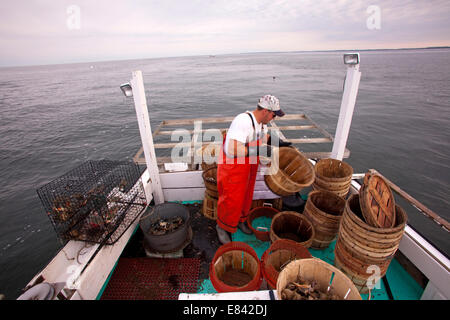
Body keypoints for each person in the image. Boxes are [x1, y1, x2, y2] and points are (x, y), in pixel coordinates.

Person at [215, 95, 291, 244]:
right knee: (230, 199)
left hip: (248, 167)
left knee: (246, 196)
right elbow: (232, 149)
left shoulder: (261, 123)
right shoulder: (242, 121)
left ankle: (241, 220)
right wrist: (260, 151)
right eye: (273, 115)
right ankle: (222, 227)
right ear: (266, 112)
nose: (273, 118)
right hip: (233, 168)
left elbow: (263, 137)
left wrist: (278, 143)